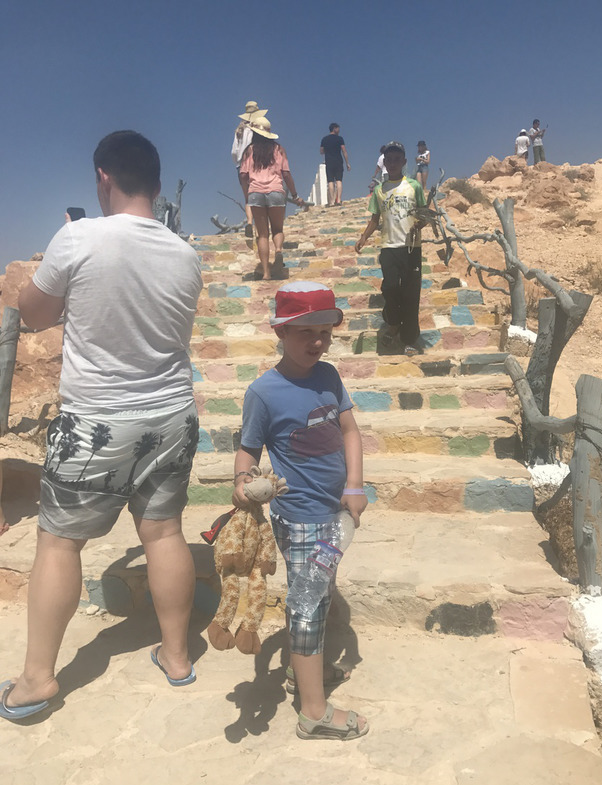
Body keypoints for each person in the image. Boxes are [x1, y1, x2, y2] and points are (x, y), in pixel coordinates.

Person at [1, 130, 203, 722]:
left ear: (103, 177)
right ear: (158, 185)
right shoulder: (185, 254)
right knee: (164, 534)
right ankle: (176, 656)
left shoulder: (78, 237)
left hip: (96, 421)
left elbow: (32, 313)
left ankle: (37, 679)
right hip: (171, 414)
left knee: (59, 543)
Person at [233, 281, 369, 740]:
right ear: (281, 332)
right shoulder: (264, 392)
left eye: (325, 332)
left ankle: (303, 673)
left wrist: (354, 485)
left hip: (335, 514)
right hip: (301, 518)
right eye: (305, 332)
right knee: (308, 606)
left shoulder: (328, 376)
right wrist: (242, 482)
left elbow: (349, 431)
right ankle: (313, 711)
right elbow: (248, 448)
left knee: (320, 592)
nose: (317, 342)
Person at [355, 141, 426, 357]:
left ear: (404, 162)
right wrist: (363, 237)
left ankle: (409, 339)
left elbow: (424, 214)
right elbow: (375, 218)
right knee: (390, 288)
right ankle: (393, 322)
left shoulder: (414, 186)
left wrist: (419, 224)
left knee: (411, 294)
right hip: (388, 247)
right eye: (389, 160)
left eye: (397, 159)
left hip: (411, 247)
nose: (393, 163)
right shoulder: (379, 190)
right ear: (384, 162)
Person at [239, 117, 304, 281]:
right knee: (277, 229)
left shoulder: (248, 151)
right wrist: (295, 195)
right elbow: (286, 174)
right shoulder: (279, 149)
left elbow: (243, 175)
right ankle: (279, 251)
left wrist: (247, 194)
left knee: (262, 235)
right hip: (276, 192)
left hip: (255, 193)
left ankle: (266, 273)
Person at [232, 100, 268, 238]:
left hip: (241, 166)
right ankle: (260, 228)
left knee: (248, 198)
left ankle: (249, 222)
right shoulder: (257, 129)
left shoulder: (239, 131)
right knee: (258, 195)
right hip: (255, 164)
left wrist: (239, 162)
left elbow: (234, 152)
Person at [320, 123, 351, 206]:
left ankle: (332, 202)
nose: (339, 130)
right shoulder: (340, 139)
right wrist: (347, 163)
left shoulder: (324, 139)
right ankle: (339, 200)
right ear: (334, 128)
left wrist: (328, 151)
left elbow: (321, 151)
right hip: (338, 161)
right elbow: (344, 151)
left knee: (330, 181)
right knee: (339, 180)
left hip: (329, 162)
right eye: (338, 128)